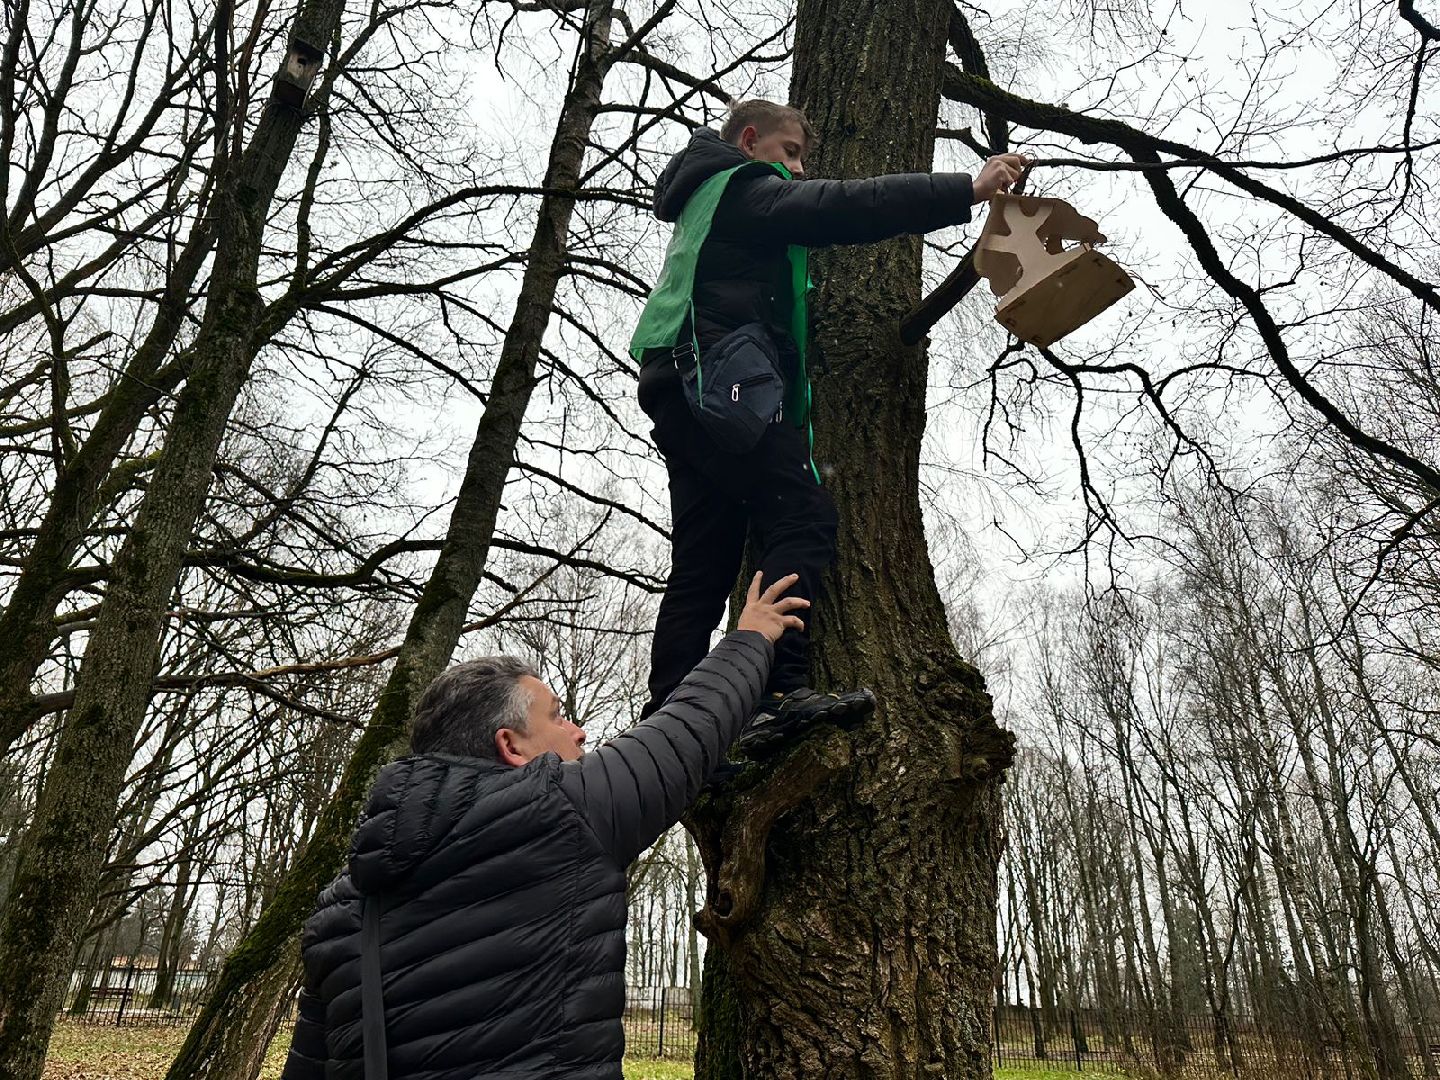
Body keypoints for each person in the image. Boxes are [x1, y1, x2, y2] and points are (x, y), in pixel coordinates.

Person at [277, 572, 806, 1080]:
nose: (577, 731)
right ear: (510, 745)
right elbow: (682, 733)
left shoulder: (341, 912)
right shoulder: (560, 812)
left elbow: (306, 1068)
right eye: (556, 716)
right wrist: (751, 637)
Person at [630, 99, 1025, 755]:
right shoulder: (739, 189)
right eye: (790, 153)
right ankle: (778, 693)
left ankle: (672, 725)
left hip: (679, 386)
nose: (799, 169)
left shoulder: (701, 203)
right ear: (749, 141)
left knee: (705, 562)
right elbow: (842, 206)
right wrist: (967, 187)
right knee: (801, 515)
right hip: (720, 384)